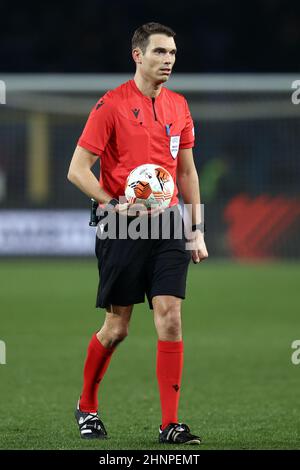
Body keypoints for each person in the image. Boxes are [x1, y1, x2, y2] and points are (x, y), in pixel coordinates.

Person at [67, 22, 208, 445]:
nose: (168, 61)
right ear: (138, 55)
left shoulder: (179, 106)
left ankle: (170, 425)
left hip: (167, 222)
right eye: (160, 52)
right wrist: (113, 204)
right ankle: (87, 406)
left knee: (170, 315)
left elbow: (185, 170)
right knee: (118, 327)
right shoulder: (110, 105)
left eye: (172, 54)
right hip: (120, 224)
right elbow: (77, 170)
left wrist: (197, 228)